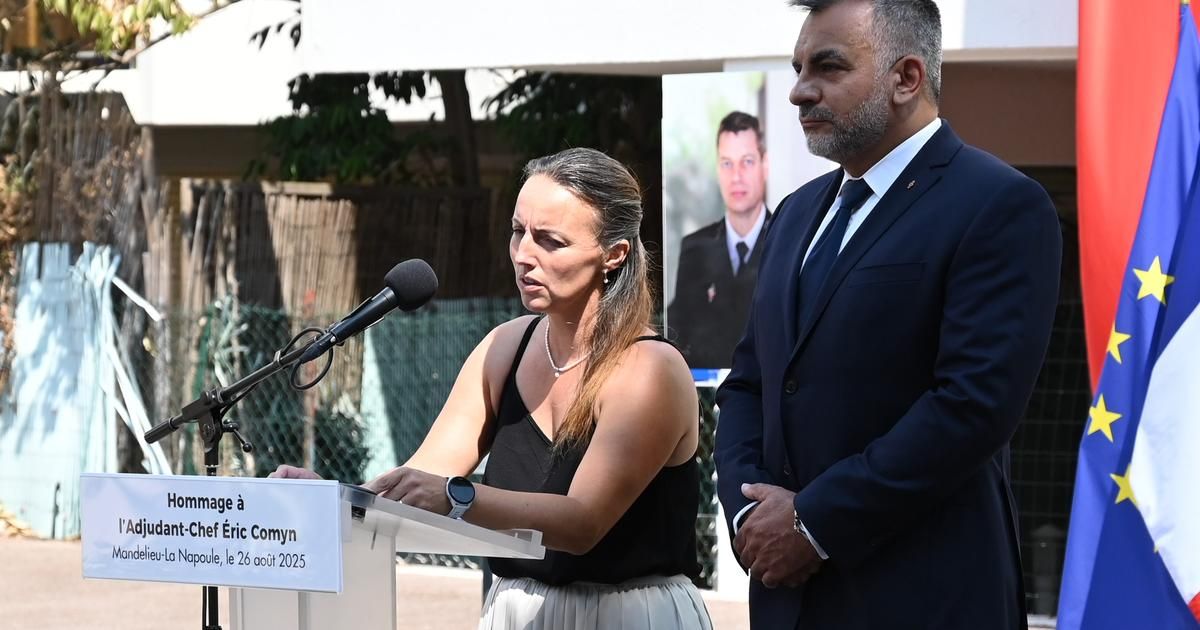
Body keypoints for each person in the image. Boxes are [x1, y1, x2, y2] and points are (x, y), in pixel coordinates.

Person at [713, 1, 1062, 629]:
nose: (799, 91)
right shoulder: (794, 214)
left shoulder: (999, 205)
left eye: (828, 67)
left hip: (924, 597)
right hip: (789, 599)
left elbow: (971, 407)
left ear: (907, 78)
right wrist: (748, 514)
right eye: (798, 68)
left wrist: (813, 523)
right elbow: (750, 383)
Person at [272, 148, 713, 630]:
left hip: (630, 614)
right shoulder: (505, 346)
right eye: (518, 231)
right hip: (515, 610)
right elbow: (421, 483)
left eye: (550, 241)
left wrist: (459, 497)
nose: (524, 255)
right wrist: (336, 499)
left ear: (614, 254)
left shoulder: (649, 368)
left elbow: (583, 523)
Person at [667, 111, 772, 368]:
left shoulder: (790, 242)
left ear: (765, 166)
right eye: (727, 163)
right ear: (717, 170)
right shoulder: (693, 249)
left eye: (747, 162)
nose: (736, 176)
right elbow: (679, 334)